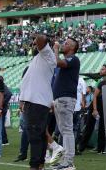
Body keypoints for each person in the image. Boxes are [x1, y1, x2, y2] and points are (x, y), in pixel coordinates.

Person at [19, 34, 57, 170]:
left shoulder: (47, 54)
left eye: (36, 43)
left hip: (37, 102)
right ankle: (39, 164)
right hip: (35, 101)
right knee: (39, 135)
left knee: (35, 135)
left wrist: (35, 35)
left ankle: (35, 165)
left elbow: (41, 40)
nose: (34, 44)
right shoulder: (39, 57)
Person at [52, 37, 81, 170]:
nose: (64, 44)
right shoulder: (68, 60)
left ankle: (69, 161)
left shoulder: (73, 59)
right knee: (64, 131)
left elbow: (57, 62)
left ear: (72, 48)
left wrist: (56, 49)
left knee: (67, 130)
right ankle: (66, 160)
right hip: (61, 99)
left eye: (67, 43)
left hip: (65, 99)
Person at [92, 64, 106, 154]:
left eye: (103, 69)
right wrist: (95, 109)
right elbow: (95, 96)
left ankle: (105, 148)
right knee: (100, 128)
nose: (101, 71)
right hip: (101, 109)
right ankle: (100, 148)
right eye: (101, 69)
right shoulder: (100, 82)